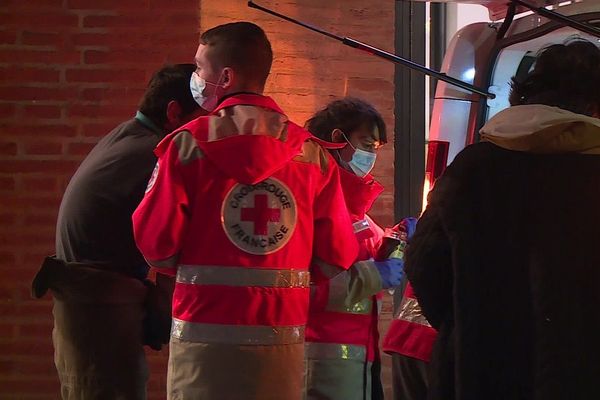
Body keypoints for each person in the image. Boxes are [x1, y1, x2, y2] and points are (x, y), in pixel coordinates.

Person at [132, 22, 359, 400]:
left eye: (199, 68)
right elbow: (336, 253)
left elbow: (155, 244)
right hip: (280, 344)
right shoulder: (310, 154)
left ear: (225, 76)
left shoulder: (186, 147)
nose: (195, 78)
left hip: (201, 343)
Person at [405, 39, 600, 400]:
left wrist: (468, 328)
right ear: (593, 105)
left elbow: (424, 265)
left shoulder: (473, 167)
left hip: (479, 378)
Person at [30, 64, 204, 400]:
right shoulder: (155, 154)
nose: (208, 130)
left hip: (88, 309)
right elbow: (175, 241)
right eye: (203, 118)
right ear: (174, 112)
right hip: (99, 312)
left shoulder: (127, 136)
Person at [303, 97, 412, 400]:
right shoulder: (312, 204)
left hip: (361, 360)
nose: (371, 156)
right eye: (366, 144)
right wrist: (374, 275)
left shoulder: (355, 211)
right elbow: (299, 287)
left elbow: (377, 261)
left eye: (376, 149)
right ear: (338, 139)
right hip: (320, 365)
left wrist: (399, 242)